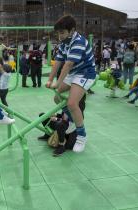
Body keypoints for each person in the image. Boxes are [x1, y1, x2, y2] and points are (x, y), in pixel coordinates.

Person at [46, 15, 96, 153]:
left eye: (62, 32)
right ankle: (73, 121)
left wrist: (57, 82)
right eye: (58, 33)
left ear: (72, 30)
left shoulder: (78, 41)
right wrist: (50, 79)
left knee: (72, 103)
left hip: (86, 73)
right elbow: (58, 62)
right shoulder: (64, 43)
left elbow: (68, 64)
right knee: (57, 98)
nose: (60, 36)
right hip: (74, 73)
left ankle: (82, 136)